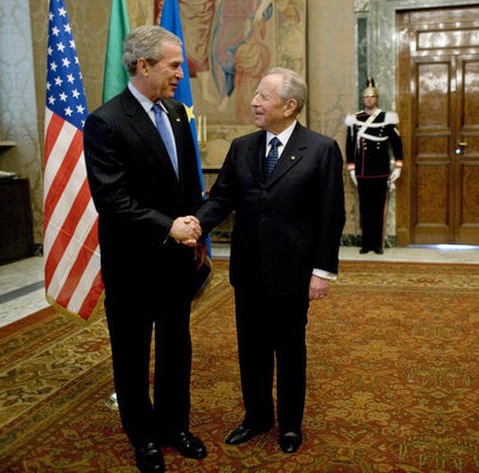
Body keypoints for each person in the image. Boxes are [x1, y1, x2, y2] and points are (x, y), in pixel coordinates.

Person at [195, 67, 345, 453]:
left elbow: (331, 215)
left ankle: (290, 425)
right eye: (256, 95)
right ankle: (257, 416)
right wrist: (195, 224)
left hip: (293, 274)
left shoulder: (321, 148)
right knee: (251, 349)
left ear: (289, 105)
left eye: (263, 96)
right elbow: (221, 199)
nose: (254, 102)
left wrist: (321, 271)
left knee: (290, 350)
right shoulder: (243, 146)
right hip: (248, 271)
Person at [84, 25, 207, 473]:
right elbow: (111, 199)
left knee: (177, 346)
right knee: (133, 353)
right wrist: (167, 227)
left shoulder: (175, 112)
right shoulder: (106, 121)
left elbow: (187, 179)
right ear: (142, 65)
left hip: (176, 259)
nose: (180, 73)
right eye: (173, 65)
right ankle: (143, 437)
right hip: (133, 262)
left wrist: (195, 225)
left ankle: (175, 426)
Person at [345, 77, 403, 254]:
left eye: (372, 97)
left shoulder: (387, 118)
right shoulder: (355, 119)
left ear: (377, 98)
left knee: (378, 209)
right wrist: (352, 168)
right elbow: (350, 145)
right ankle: (366, 243)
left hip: (380, 170)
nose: (369, 100)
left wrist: (398, 166)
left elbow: (396, 144)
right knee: (365, 208)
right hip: (362, 171)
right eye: (366, 97)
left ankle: (377, 244)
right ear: (363, 100)